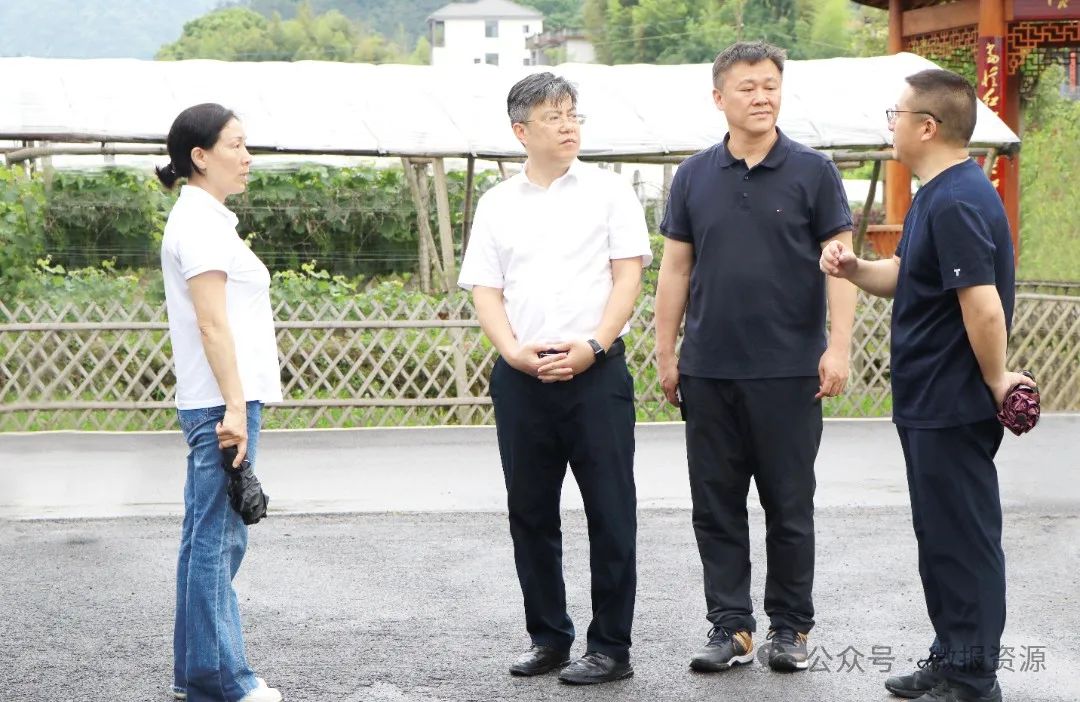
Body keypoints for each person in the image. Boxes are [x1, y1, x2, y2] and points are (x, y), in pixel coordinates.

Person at [820, 69, 1028, 702]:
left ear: (928, 127)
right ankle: (951, 656)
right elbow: (905, 273)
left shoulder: (958, 199)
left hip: (952, 401)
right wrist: (854, 268)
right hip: (928, 401)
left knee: (962, 542)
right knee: (940, 539)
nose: (891, 125)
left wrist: (997, 379)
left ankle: (972, 678)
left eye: (897, 114)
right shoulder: (938, 193)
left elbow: (982, 306)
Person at [655, 40, 857, 673]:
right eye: (747, 87)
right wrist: (666, 352)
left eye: (771, 85)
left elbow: (842, 265)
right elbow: (675, 268)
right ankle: (731, 627)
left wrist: (838, 346)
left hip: (790, 369)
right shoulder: (693, 175)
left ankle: (791, 628)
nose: (762, 96)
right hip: (709, 368)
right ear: (720, 97)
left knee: (789, 507)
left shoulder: (813, 171)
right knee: (715, 506)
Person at [457, 72, 652, 685]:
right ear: (522, 131)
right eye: (553, 117)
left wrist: (595, 345)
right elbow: (484, 288)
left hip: (596, 374)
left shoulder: (610, 191)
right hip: (523, 377)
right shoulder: (497, 203)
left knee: (611, 512)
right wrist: (512, 352)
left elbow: (628, 276)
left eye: (572, 115)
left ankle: (611, 647)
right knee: (531, 512)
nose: (568, 126)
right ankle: (548, 637)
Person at [157, 103, 284, 702]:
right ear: (200, 157)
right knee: (219, 539)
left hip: (215, 399)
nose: (248, 156)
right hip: (220, 402)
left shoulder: (205, 219)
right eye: (236, 144)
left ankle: (195, 674)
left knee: (204, 536)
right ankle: (224, 680)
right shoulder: (201, 225)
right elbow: (211, 323)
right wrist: (235, 408)